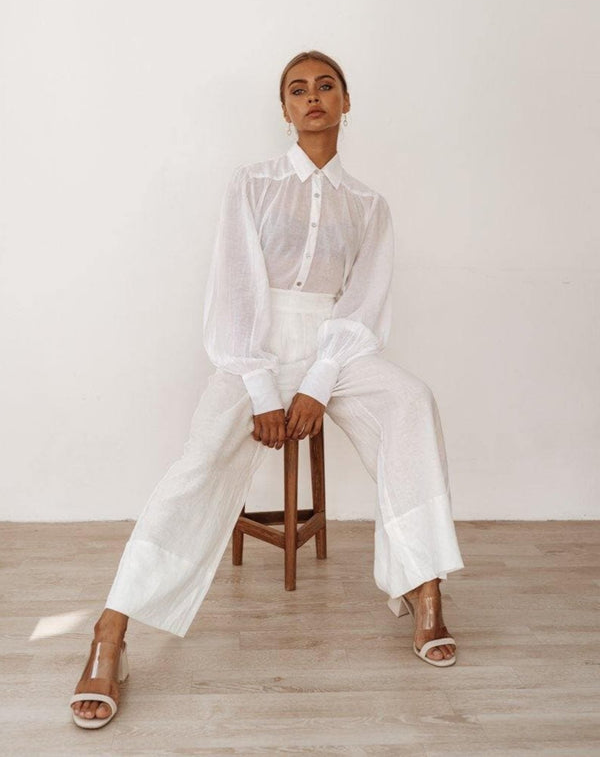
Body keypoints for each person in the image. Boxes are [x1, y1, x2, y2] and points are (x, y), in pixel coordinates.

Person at [70, 49, 465, 728]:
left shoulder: (368, 205)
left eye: (326, 86)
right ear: (284, 110)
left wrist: (317, 380)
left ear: (345, 102)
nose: (312, 97)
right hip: (253, 342)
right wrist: (262, 386)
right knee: (199, 462)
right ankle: (112, 631)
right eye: (297, 89)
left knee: (409, 401)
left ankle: (425, 589)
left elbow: (363, 307)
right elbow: (235, 289)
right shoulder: (250, 184)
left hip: (336, 344)